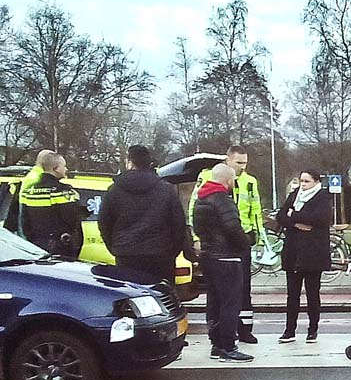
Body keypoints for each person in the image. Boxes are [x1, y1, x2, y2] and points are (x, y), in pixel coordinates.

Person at [188, 145, 263, 344]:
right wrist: (197, 238)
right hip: (230, 244)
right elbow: (194, 209)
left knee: (241, 291)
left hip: (234, 240)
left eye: (245, 163)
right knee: (228, 296)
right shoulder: (210, 179)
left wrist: (259, 237)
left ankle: (243, 330)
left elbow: (255, 210)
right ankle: (227, 340)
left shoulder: (249, 181)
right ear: (228, 161)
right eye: (239, 163)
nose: (243, 167)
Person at [98, 145, 187, 285]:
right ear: (149, 163)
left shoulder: (114, 191)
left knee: (130, 299)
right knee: (161, 298)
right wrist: (171, 251)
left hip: (126, 254)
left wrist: (116, 248)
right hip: (160, 254)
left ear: (129, 162)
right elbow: (178, 224)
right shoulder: (166, 189)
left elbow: (104, 223)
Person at [193, 164, 253, 362]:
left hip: (209, 255)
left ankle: (216, 344)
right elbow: (233, 228)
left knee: (214, 301)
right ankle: (228, 345)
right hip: (227, 257)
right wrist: (245, 243)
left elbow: (197, 228)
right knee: (230, 303)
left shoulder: (200, 199)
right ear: (228, 180)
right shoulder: (223, 200)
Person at [276, 168, 332, 344]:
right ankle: (289, 330)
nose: (303, 184)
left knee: (312, 293)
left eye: (307, 181)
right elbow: (281, 216)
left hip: (313, 252)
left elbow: (320, 219)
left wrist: (295, 216)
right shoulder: (294, 195)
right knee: (292, 294)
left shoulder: (323, 197)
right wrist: (297, 223)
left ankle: (312, 330)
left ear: (316, 182)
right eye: (301, 181)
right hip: (293, 251)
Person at [20, 152, 85, 257]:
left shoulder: (29, 191)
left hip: (35, 245)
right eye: (64, 166)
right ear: (55, 168)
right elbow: (72, 218)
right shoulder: (61, 191)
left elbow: (24, 221)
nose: (66, 169)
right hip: (60, 246)